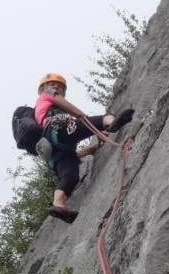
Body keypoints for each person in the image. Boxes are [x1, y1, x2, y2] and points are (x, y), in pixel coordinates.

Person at [34, 74, 133, 224]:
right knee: (101, 119)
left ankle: (58, 205)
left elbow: (72, 145)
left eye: (60, 85)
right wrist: (83, 117)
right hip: (56, 130)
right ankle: (112, 122)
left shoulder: (41, 108)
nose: (56, 87)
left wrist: (89, 150)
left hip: (54, 148)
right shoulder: (47, 94)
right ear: (43, 88)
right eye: (52, 84)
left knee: (70, 176)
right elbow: (66, 106)